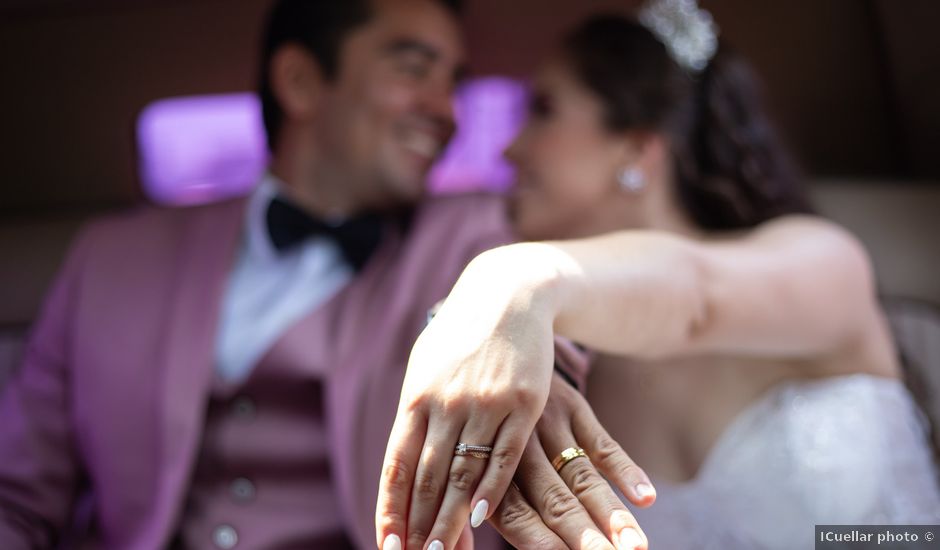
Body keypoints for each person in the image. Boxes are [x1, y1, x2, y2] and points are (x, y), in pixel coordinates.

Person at [0, 1, 652, 549]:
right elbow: (17, 495)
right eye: (413, 70)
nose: (446, 109)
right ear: (302, 82)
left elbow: (540, 328)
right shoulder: (112, 258)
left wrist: (538, 365)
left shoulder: (474, 234)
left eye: (453, 81)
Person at [377, 3, 940, 549]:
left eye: (543, 109)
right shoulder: (558, 376)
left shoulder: (820, 261)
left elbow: (695, 295)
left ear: (637, 147)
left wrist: (513, 279)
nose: (510, 147)